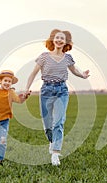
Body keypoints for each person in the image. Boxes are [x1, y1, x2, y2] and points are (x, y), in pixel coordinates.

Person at [24, 29, 90, 166]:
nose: (59, 40)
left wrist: (83, 75)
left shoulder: (67, 58)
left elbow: (74, 70)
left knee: (59, 122)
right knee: (48, 124)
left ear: (65, 42)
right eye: (57, 38)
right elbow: (32, 73)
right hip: (46, 91)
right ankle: (52, 141)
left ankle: (55, 153)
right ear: (53, 40)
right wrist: (26, 88)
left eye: (62, 38)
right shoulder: (44, 57)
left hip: (62, 90)